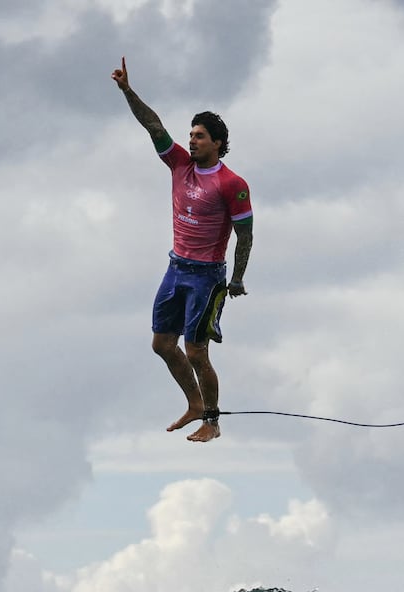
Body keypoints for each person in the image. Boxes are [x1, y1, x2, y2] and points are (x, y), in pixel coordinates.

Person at [111, 57, 254, 443]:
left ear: (218, 144)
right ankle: (193, 403)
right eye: (191, 135)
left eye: (200, 136)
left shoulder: (232, 183)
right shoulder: (179, 165)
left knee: (196, 352)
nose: (191, 140)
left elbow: (245, 234)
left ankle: (212, 420)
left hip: (207, 276)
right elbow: (153, 125)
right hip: (176, 268)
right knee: (161, 344)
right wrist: (127, 90)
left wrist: (237, 278)